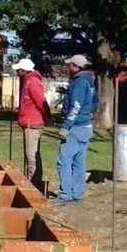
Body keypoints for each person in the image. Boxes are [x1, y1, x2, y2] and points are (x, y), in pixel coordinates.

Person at [54, 54, 98, 206]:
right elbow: (95, 102)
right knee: (79, 162)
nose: (68, 68)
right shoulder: (90, 82)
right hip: (85, 126)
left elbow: (76, 107)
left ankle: (65, 195)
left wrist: (66, 126)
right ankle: (77, 194)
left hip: (76, 127)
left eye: (70, 65)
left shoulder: (78, 83)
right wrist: (87, 113)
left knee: (64, 160)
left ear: (76, 67)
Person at [12, 58, 51, 190]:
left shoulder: (32, 82)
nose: (16, 71)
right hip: (28, 123)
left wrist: (47, 116)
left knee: (31, 156)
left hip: (32, 124)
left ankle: (33, 184)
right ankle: (32, 181)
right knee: (30, 155)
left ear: (24, 71)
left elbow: (41, 102)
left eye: (18, 69)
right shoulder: (27, 81)